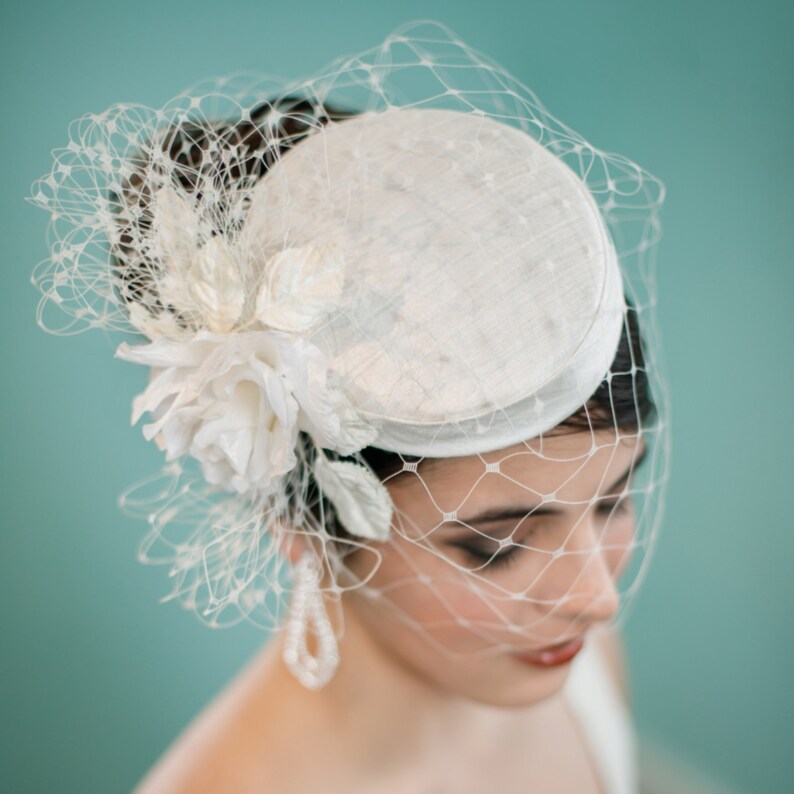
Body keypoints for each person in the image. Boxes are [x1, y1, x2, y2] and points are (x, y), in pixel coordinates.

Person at [29, 20, 668, 794]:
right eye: (496, 548)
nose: (596, 598)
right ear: (301, 522)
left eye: (613, 500)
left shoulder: (575, 663)